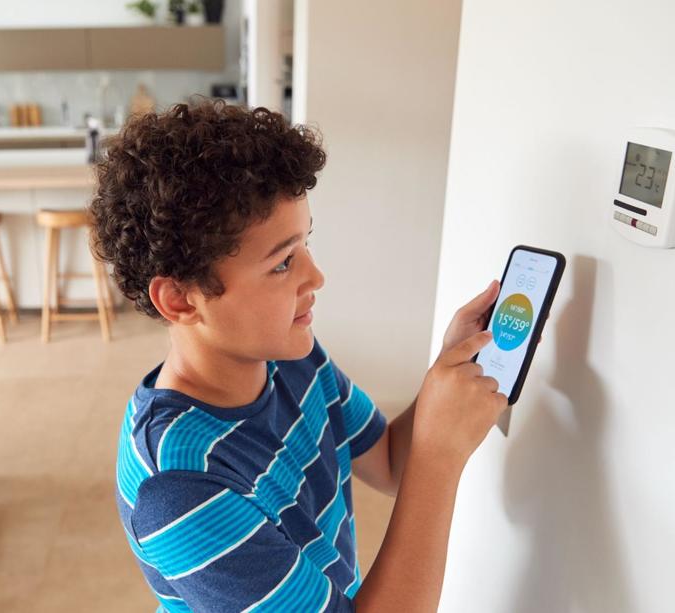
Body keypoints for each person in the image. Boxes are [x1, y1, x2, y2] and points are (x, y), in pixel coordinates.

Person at [91, 99, 508, 612]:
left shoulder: (291, 360)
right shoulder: (179, 488)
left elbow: (394, 461)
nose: (316, 277)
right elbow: (422, 464)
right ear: (180, 299)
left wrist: (446, 372)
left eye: (304, 244)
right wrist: (441, 461)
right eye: (283, 263)